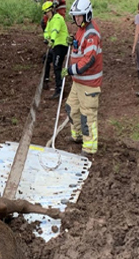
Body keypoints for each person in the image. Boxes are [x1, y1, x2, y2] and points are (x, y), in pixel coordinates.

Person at [62, 0, 102, 156]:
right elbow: (80, 47)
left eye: (80, 16)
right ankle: (77, 136)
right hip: (78, 82)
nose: (77, 19)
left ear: (87, 14)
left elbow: (89, 59)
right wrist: (73, 42)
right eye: (75, 16)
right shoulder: (81, 29)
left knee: (87, 116)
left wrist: (71, 70)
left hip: (89, 84)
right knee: (71, 108)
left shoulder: (92, 33)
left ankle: (89, 148)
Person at [43, 0, 70, 99]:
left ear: (51, 10)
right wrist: (46, 38)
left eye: (47, 12)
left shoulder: (58, 18)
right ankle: (45, 79)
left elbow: (55, 30)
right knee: (46, 58)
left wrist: (52, 40)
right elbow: (47, 31)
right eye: (45, 13)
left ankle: (59, 89)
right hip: (55, 45)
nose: (46, 14)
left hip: (61, 45)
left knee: (57, 65)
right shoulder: (50, 20)